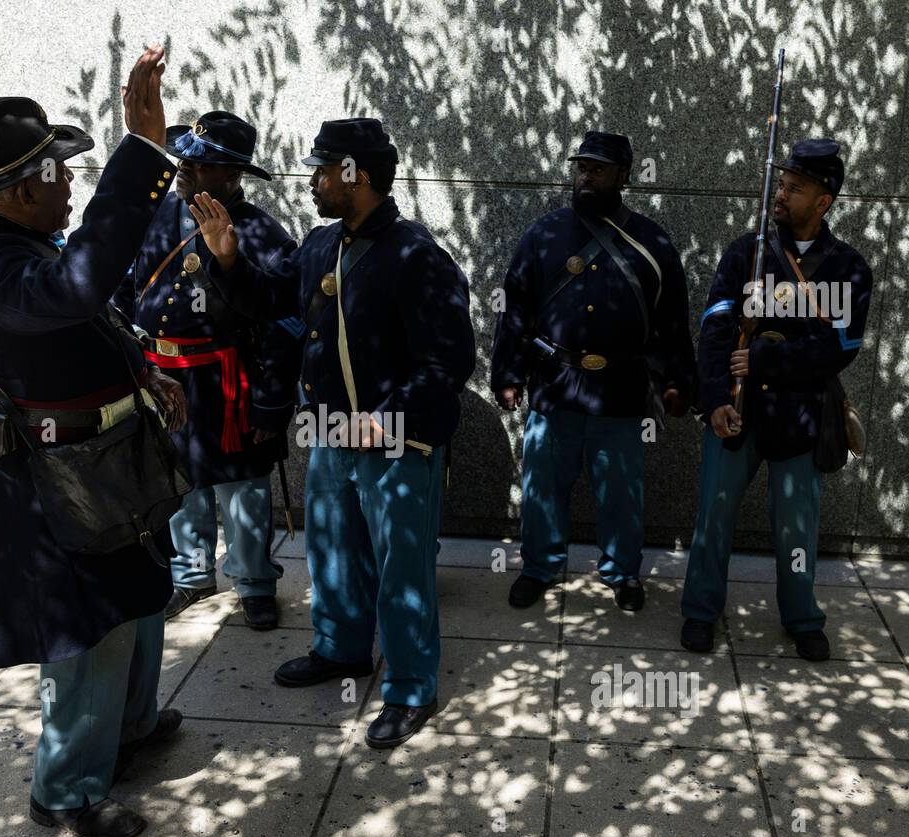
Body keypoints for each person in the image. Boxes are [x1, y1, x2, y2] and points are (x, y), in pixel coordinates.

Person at [0, 46, 191, 837]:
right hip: (61, 484)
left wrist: (144, 371)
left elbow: (90, 320)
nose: (68, 180)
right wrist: (141, 155)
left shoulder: (15, 242)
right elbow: (80, 287)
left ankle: (130, 731)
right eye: (55, 171)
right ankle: (67, 789)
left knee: (141, 604)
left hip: (108, 465)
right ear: (14, 192)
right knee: (88, 635)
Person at [190, 118, 476, 748]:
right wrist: (228, 258)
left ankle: (408, 688)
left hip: (398, 440)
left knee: (401, 570)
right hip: (329, 434)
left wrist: (386, 415)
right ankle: (341, 650)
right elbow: (274, 304)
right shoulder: (320, 245)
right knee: (332, 553)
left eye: (323, 169)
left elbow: (450, 359)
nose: (313, 179)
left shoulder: (415, 254)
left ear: (357, 176)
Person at [680, 138, 872, 662]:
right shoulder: (748, 251)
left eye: (795, 188)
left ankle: (801, 616)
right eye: (781, 184)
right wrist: (714, 398)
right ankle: (699, 610)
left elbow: (841, 347)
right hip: (737, 410)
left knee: (796, 526)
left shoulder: (849, 268)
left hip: (801, 414)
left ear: (824, 201)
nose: (781, 195)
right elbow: (715, 329)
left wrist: (767, 360)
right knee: (713, 515)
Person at [112, 110, 302, 630]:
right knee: (179, 481)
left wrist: (272, 400)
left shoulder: (261, 233)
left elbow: (287, 324)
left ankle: (256, 582)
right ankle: (191, 574)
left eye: (201, 164)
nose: (185, 171)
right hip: (161, 377)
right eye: (184, 161)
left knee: (242, 486)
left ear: (232, 175)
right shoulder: (155, 218)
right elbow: (125, 293)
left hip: (230, 378)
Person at [491, 131, 694, 611]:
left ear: (624, 177)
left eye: (599, 168)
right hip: (555, 386)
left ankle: (623, 573)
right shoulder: (544, 235)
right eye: (582, 166)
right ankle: (539, 567)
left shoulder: (652, 242)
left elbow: (672, 321)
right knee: (542, 488)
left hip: (621, 393)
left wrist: (678, 381)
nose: (586, 175)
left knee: (621, 496)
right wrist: (507, 373)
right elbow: (515, 308)